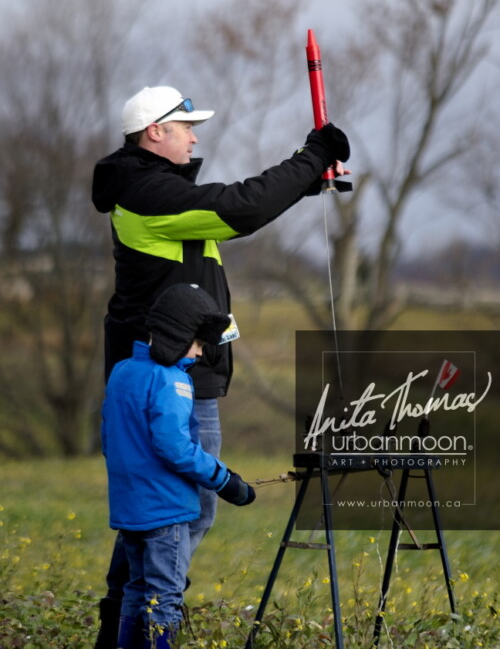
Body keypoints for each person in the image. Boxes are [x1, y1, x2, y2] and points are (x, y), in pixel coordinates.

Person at [92, 84, 351, 646]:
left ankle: (121, 625)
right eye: (186, 127)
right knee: (190, 511)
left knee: (152, 514)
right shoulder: (146, 193)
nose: (195, 136)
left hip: (160, 374)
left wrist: (306, 181)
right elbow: (242, 205)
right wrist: (312, 156)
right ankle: (150, 618)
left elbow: (238, 208)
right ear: (155, 132)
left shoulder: (151, 190)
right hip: (168, 377)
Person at [101, 282, 256, 649]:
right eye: (198, 343)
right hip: (166, 513)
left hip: (130, 512)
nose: (201, 354)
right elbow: (177, 448)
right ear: (177, 334)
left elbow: (108, 441)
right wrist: (225, 480)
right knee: (166, 597)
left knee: (136, 590)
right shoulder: (173, 380)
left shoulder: (122, 372)